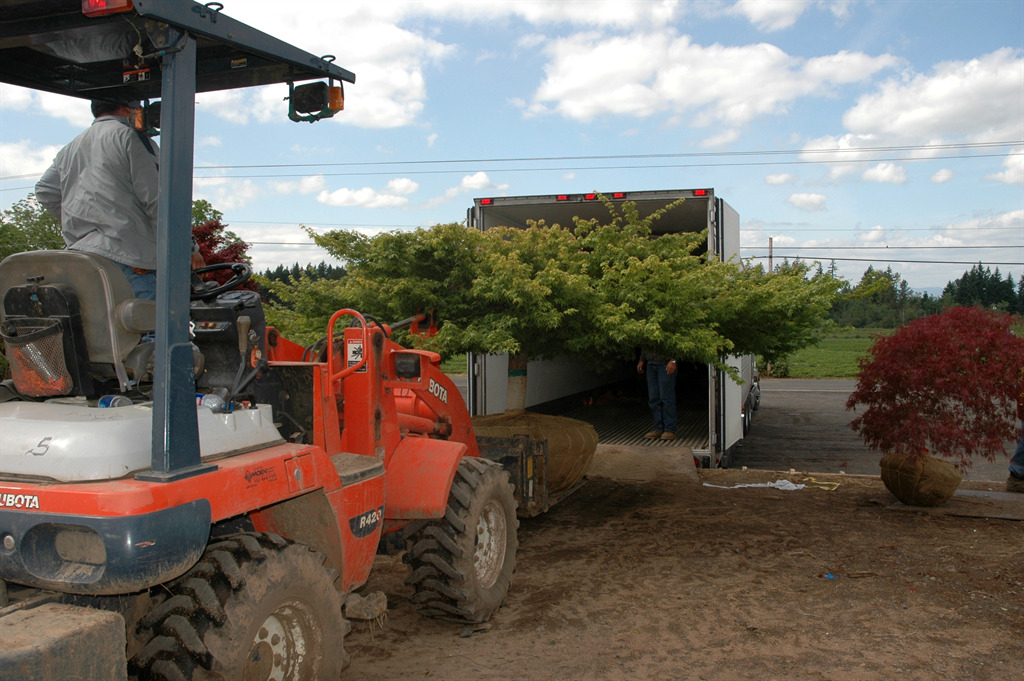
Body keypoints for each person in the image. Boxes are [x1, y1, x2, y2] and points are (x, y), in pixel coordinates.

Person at [36, 98, 160, 300]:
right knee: (147, 328)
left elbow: (45, 191)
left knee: (101, 330)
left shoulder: (70, 147)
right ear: (125, 106)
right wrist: (187, 248)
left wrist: (77, 218)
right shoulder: (131, 137)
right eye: (137, 106)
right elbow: (157, 197)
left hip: (82, 259)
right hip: (129, 257)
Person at [637, 350, 678, 440]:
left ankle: (670, 429)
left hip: (665, 363)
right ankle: (658, 428)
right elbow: (645, 344)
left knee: (666, 397)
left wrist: (673, 360)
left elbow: (677, 344)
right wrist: (642, 360)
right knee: (653, 398)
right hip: (651, 364)